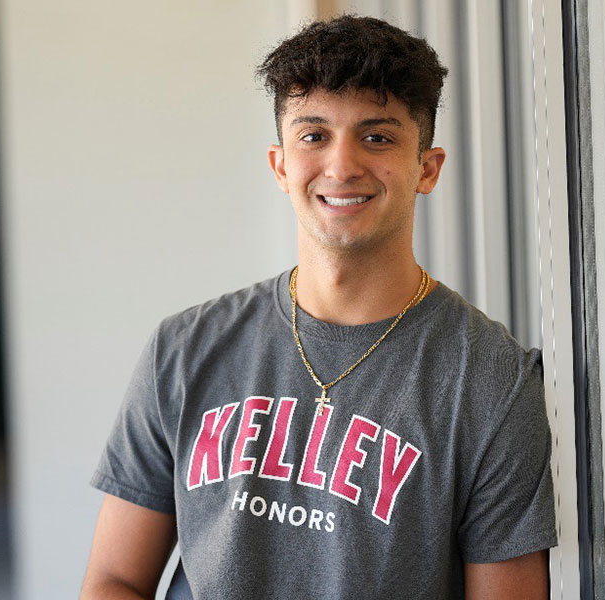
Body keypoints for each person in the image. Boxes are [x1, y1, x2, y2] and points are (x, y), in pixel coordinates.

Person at [81, 15, 557, 600]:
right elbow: (115, 579)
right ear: (280, 165)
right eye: (313, 135)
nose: (341, 166)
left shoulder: (493, 382)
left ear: (426, 169)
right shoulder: (183, 350)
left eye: (377, 136)